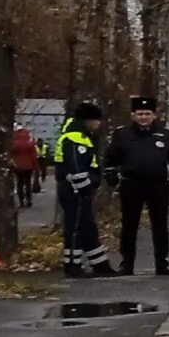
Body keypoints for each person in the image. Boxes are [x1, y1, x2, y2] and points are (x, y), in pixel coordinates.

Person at [107, 95, 169, 276]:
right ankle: (127, 264)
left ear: (154, 116)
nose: (143, 117)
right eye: (140, 113)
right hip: (131, 185)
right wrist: (113, 180)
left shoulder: (165, 135)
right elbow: (110, 160)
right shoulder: (122, 135)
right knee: (129, 225)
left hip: (158, 186)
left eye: (147, 113)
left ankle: (162, 264)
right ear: (133, 115)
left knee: (160, 226)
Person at [54, 102, 113, 277]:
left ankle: (100, 264)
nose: (98, 124)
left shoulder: (78, 136)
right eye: (96, 121)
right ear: (88, 121)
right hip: (75, 190)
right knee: (76, 227)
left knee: (87, 227)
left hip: (78, 189)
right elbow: (77, 168)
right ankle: (72, 265)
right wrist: (86, 187)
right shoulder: (75, 138)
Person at [10, 120, 42, 209]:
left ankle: (21, 202)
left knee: (19, 183)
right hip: (29, 164)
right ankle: (29, 200)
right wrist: (36, 166)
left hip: (17, 164)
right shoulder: (29, 137)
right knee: (28, 182)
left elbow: (10, 152)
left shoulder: (12, 138)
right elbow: (33, 152)